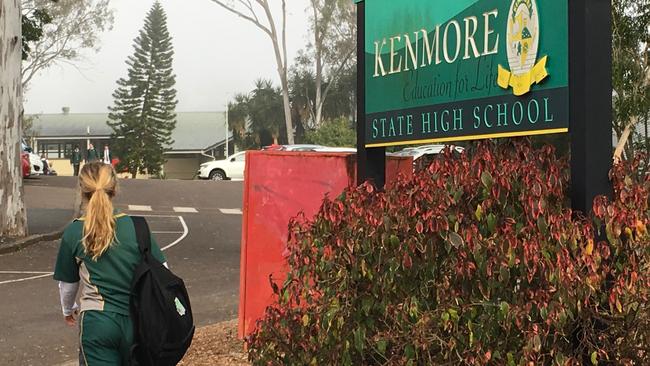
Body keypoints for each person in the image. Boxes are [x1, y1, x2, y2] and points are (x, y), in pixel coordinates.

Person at [53, 162, 166, 366]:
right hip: (138, 321)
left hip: (98, 322)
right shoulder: (137, 227)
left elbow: (68, 285)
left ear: (82, 190)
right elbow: (163, 273)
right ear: (115, 188)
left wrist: (67, 309)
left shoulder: (75, 231)